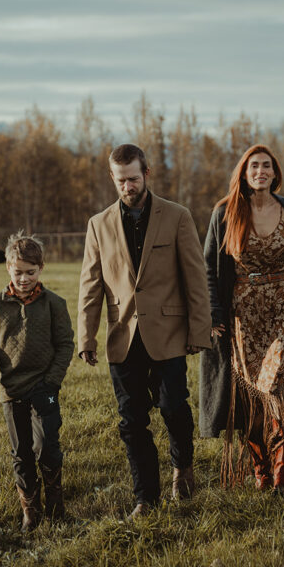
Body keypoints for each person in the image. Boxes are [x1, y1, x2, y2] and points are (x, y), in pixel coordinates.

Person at [77, 144, 211, 518]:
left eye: (133, 179)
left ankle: (182, 466)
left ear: (146, 174)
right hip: (123, 335)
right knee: (132, 420)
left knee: (173, 408)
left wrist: (199, 331)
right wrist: (85, 338)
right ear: (112, 178)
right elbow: (90, 287)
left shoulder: (177, 216)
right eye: (120, 180)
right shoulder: (97, 225)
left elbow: (196, 278)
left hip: (169, 331)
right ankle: (145, 498)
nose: (127, 186)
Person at [199, 145, 284, 496]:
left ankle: (283, 477)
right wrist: (215, 312)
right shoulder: (225, 212)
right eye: (254, 166)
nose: (261, 171)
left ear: (275, 172)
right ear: (243, 171)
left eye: (267, 166)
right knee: (252, 397)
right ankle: (261, 471)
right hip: (242, 313)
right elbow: (210, 265)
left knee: (283, 392)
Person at [0, 231, 75, 531]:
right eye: (18, 272)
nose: (24, 279)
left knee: (47, 447)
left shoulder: (54, 304)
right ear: (8, 267)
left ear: (41, 269)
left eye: (30, 273)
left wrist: (52, 382)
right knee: (21, 454)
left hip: (44, 389)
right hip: (11, 393)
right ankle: (30, 512)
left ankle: (56, 507)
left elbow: (65, 345)